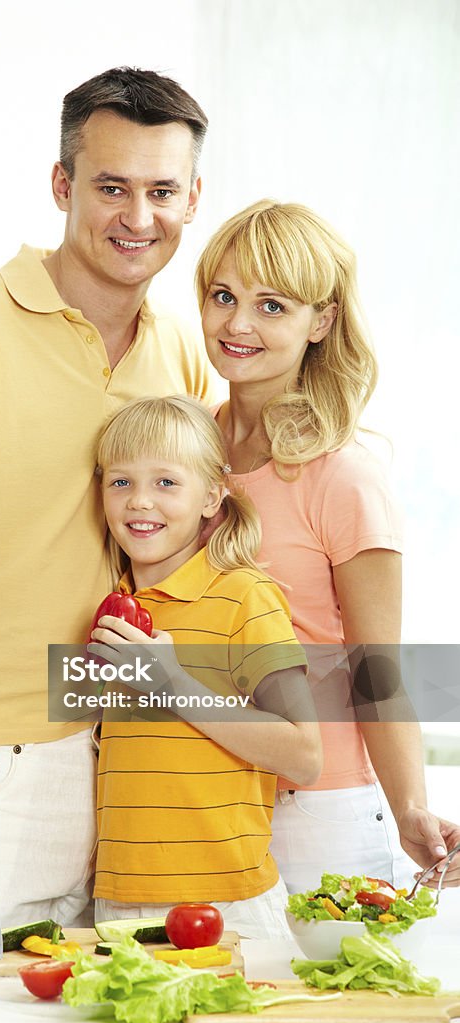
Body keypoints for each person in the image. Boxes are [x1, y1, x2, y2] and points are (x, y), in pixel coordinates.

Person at [0, 67, 217, 926]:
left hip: (125, 754)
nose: (138, 218)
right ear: (62, 185)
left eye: (162, 191)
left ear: (192, 198)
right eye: (110, 187)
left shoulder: (180, 347)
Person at [195, 199, 460, 891]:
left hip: (315, 809)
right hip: (199, 795)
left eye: (271, 305)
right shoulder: (182, 451)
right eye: (222, 296)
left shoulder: (343, 478)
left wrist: (408, 809)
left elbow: (376, 669)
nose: (237, 323)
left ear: (321, 320)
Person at [88, 395, 322, 939]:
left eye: (166, 483)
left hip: (229, 904)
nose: (139, 502)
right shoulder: (112, 606)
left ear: (213, 495)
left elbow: (305, 756)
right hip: (119, 902)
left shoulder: (245, 595)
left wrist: (173, 683)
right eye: (120, 482)